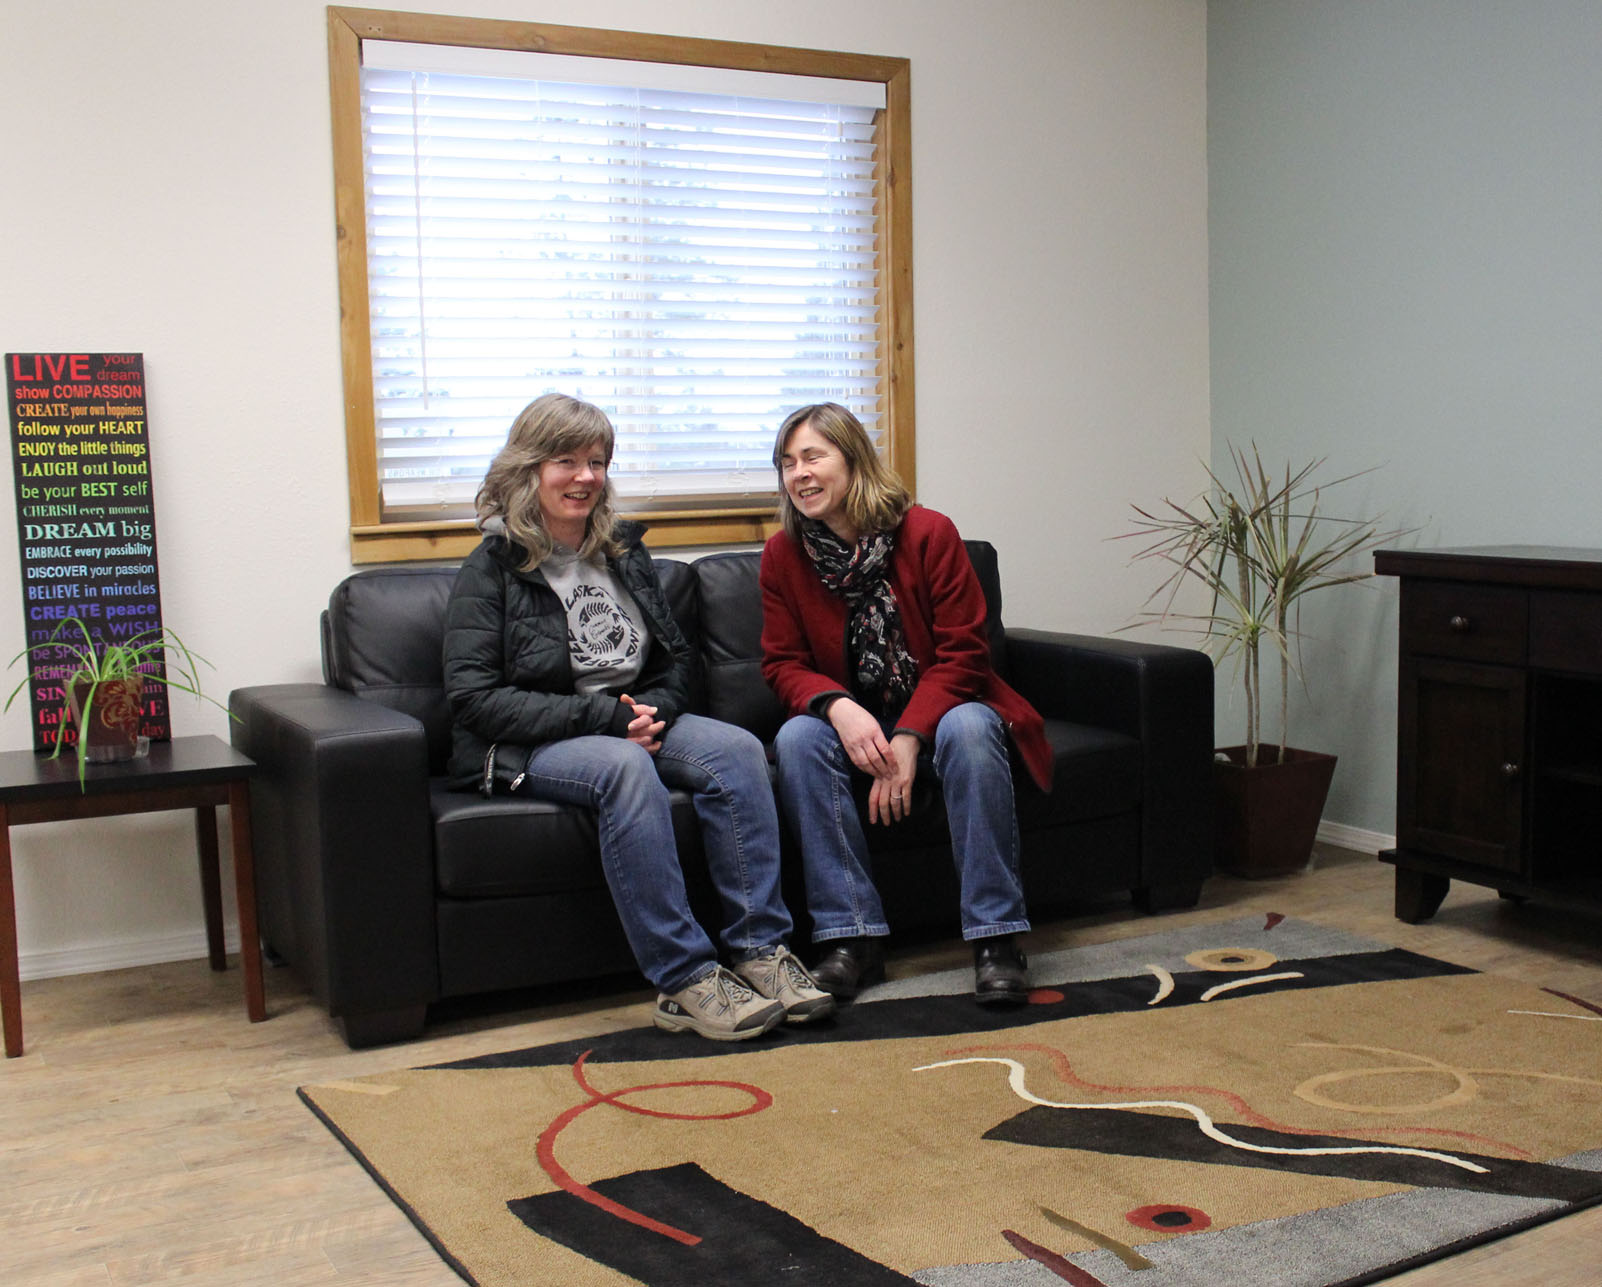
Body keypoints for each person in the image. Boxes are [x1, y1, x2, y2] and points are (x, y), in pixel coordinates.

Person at [443, 393, 833, 1040]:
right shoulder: (493, 568)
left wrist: (658, 708)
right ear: (527, 469)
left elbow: (678, 660)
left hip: (628, 718)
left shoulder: (621, 549)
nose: (585, 476)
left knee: (736, 750)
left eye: (597, 460)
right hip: (533, 740)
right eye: (565, 460)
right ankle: (684, 979)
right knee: (624, 768)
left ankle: (763, 952)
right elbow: (475, 699)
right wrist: (605, 720)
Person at [759, 403, 1054, 1007]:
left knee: (973, 728)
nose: (799, 474)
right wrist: (838, 707)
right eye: (787, 463)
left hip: (946, 706)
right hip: (852, 719)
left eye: (813, 456)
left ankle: (997, 939)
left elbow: (967, 653)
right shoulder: (783, 556)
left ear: (853, 460)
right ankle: (853, 940)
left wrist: (911, 736)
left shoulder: (928, 533)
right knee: (795, 739)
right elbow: (782, 664)